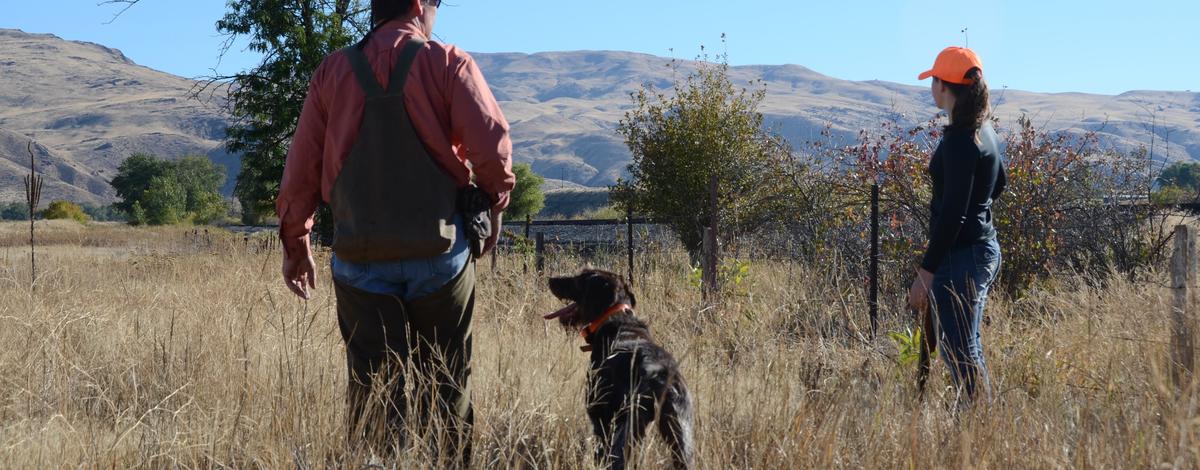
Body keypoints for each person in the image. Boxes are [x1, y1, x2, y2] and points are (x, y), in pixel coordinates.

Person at [276, 0, 515, 463]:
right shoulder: (448, 63)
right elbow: (494, 152)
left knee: (374, 396)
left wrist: (296, 244)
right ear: (421, 4)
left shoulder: (332, 72)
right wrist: (493, 211)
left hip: (359, 263)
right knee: (447, 387)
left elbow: (301, 170)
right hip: (441, 259)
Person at [907, 46, 1006, 405]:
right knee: (965, 346)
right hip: (981, 249)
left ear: (944, 86)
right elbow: (1000, 183)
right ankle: (978, 422)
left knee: (960, 350)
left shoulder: (961, 139)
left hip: (961, 256)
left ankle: (980, 425)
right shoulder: (985, 131)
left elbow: (952, 215)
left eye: (933, 80)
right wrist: (978, 212)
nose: (930, 88)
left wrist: (926, 272)